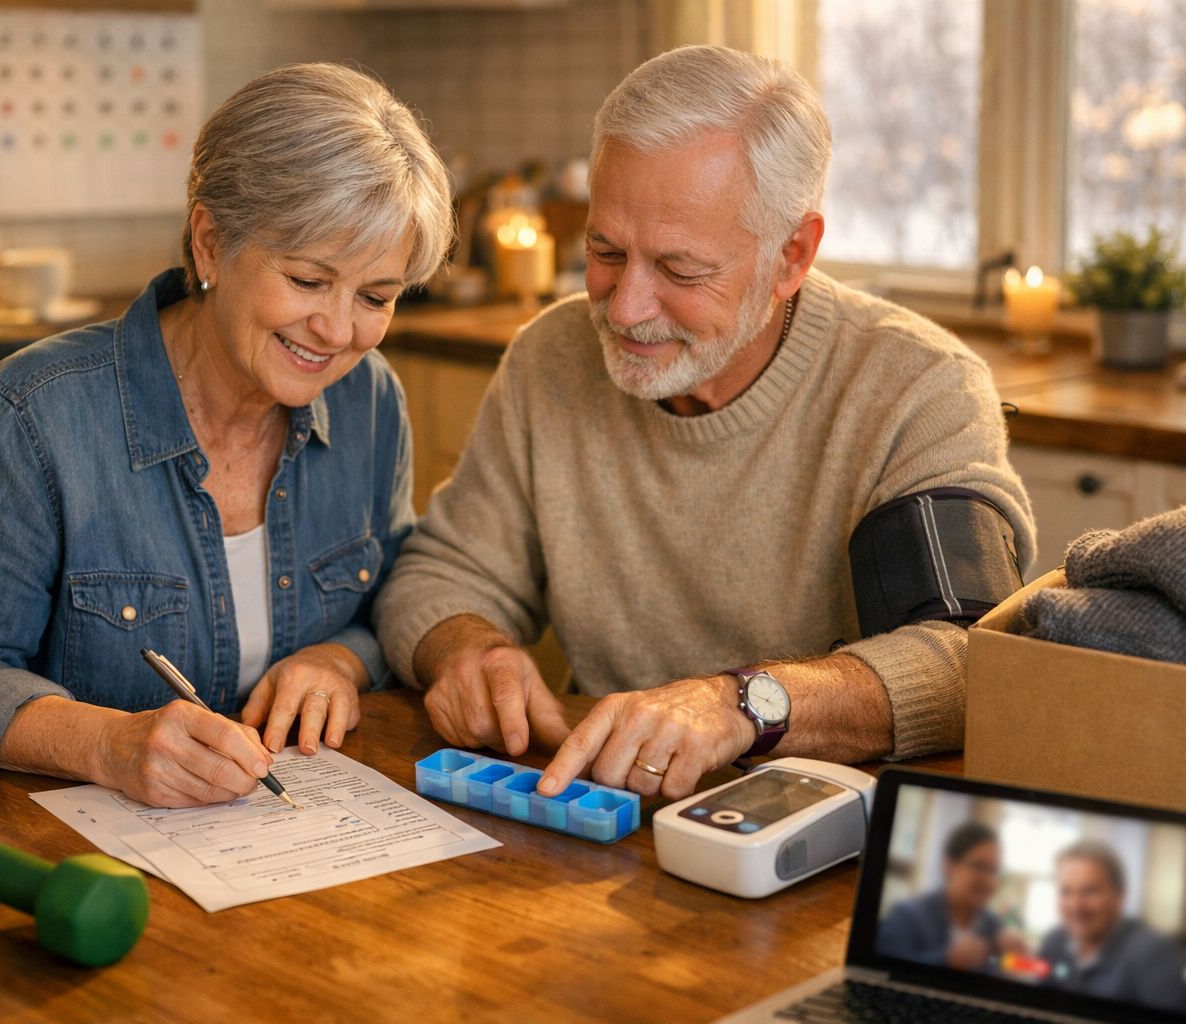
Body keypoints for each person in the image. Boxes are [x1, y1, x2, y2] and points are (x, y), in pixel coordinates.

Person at [373, 44, 1035, 800]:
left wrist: (740, 705)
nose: (623, 308)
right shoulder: (551, 360)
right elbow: (440, 574)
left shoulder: (913, 389)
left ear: (792, 255)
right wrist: (467, 649)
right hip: (612, 816)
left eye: (681, 270)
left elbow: (967, 657)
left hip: (828, 837)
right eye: (604, 250)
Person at [0, 64, 452, 807]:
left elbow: (388, 601)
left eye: (376, 296)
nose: (340, 331)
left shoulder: (369, 398)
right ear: (211, 242)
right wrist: (106, 743)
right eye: (309, 281)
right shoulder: (33, 416)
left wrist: (338, 661)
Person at [1037, 841, 1186, 1014]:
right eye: (1066, 892)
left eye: (1090, 891)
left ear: (1120, 896)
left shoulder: (1155, 952)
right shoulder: (1053, 942)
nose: (1076, 906)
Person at [877, 822, 1011, 970]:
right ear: (949, 865)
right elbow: (880, 970)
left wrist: (1009, 963)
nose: (989, 881)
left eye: (993, 871)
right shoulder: (906, 916)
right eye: (979, 866)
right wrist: (947, 960)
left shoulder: (993, 927)